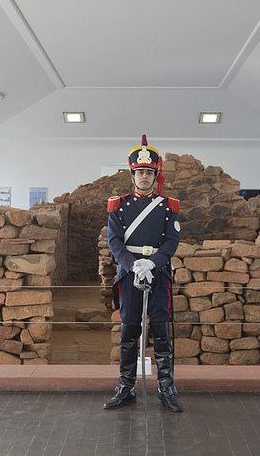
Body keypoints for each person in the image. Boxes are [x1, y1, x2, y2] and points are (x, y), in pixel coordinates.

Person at [103, 135, 183, 412]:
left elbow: (172, 242)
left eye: (149, 172)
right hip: (130, 274)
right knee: (128, 333)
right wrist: (131, 264)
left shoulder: (168, 206)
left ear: (155, 175)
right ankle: (126, 387)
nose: (145, 177)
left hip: (157, 274)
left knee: (161, 333)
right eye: (140, 172)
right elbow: (114, 241)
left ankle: (166, 388)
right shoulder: (119, 206)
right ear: (133, 174)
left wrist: (153, 263)